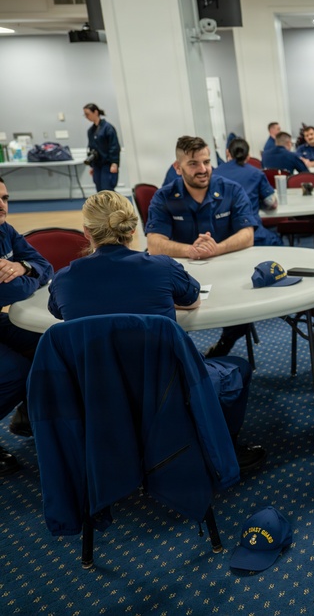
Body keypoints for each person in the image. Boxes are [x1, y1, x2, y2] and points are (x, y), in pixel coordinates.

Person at [47, 191, 266, 471]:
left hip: (95, 391)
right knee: (237, 368)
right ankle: (223, 450)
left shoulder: (65, 280)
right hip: (164, 388)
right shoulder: (161, 268)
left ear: (86, 232)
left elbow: (59, 312)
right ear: (132, 228)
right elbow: (193, 298)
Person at [145, 136, 256, 359]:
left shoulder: (231, 190)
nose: (203, 169)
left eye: (206, 162)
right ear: (178, 168)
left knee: (245, 305)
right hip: (184, 271)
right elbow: (154, 244)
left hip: (228, 268)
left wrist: (217, 248)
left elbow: (247, 235)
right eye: (193, 164)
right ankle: (179, 354)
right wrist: (189, 250)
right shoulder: (164, 197)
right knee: (156, 303)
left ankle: (226, 342)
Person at [0, 178, 54, 475]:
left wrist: (22, 268)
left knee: (47, 343)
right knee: (16, 371)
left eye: (5, 198)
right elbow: (12, 293)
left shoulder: (5, 230)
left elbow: (44, 265)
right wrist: (26, 279)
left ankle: (28, 414)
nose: (2, 205)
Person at [212, 137, 283, 246]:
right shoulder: (256, 173)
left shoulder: (214, 174)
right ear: (248, 155)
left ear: (227, 152)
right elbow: (272, 203)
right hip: (252, 234)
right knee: (276, 241)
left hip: (220, 237)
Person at [84, 103, 121, 192]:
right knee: (99, 190)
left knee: (107, 189)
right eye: (85, 115)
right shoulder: (91, 131)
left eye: (88, 114)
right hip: (97, 164)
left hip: (107, 164)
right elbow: (91, 149)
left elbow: (114, 146)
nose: (86, 116)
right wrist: (92, 166)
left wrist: (114, 163)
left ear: (95, 112)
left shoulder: (108, 128)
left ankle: (114, 206)